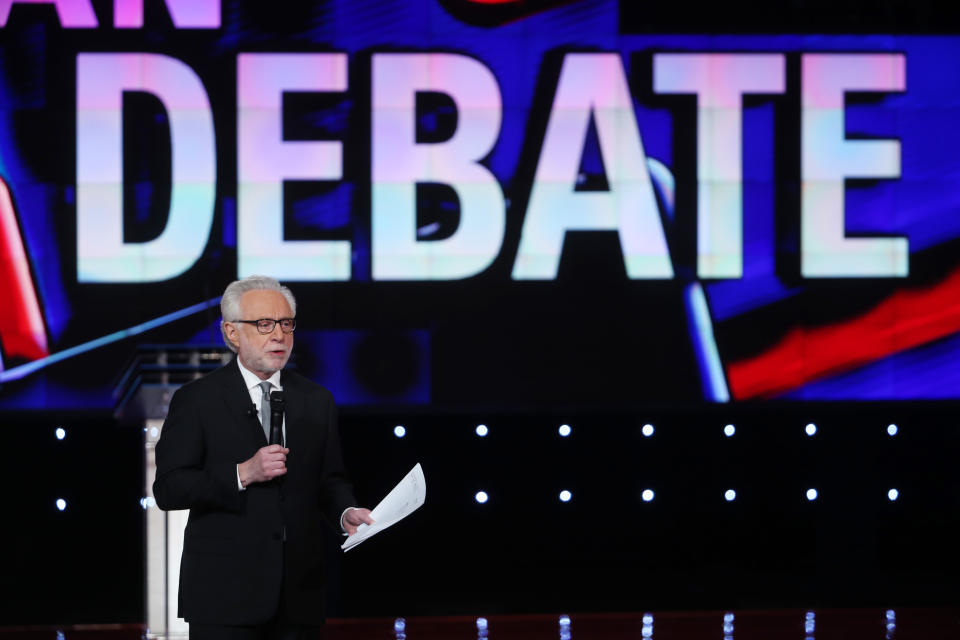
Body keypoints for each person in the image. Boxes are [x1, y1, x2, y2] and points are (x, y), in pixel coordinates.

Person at [153, 275, 373, 639]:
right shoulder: (197, 400)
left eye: (286, 324)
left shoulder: (317, 400)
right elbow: (169, 488)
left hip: (298, 600)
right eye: (264, 324)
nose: (279, 336)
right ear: (231, 332)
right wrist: (242, 473)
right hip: (224, 599)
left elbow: (330, 480)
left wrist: (345, 512)